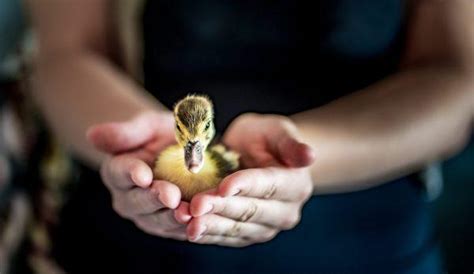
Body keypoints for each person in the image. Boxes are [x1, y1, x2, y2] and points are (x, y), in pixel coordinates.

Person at [26, 0, 473, 273]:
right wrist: (136, 136)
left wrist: (302, 156)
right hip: (133, 244)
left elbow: (455, 80)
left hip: (367, 242)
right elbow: (67, 50)